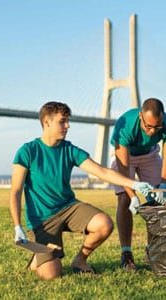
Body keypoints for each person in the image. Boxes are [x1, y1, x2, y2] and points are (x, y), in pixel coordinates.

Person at [10, 101, 153, 280]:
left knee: (104, 224)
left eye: (68, 121)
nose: (67, 125)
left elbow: (102, 171)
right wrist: (17, 226)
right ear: (47, 122)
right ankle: (39, 259)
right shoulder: (27, 151)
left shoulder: (69, 149)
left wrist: (134, 184)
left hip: (68, 207)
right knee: (51, 275)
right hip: (42, 219)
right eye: (62, 121)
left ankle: (80, 260)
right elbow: (15, 191)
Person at [110, 98, 166, 270]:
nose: (152, 131)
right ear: (140, 116)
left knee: (157, 201)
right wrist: (133, 195)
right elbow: (123, 170)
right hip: (127, 157)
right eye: (148, 126)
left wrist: (163, 185)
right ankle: (126, 253)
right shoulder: (124, 126)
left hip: (150, 155)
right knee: (124, 199)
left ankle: (154, 250)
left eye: (157, 127)